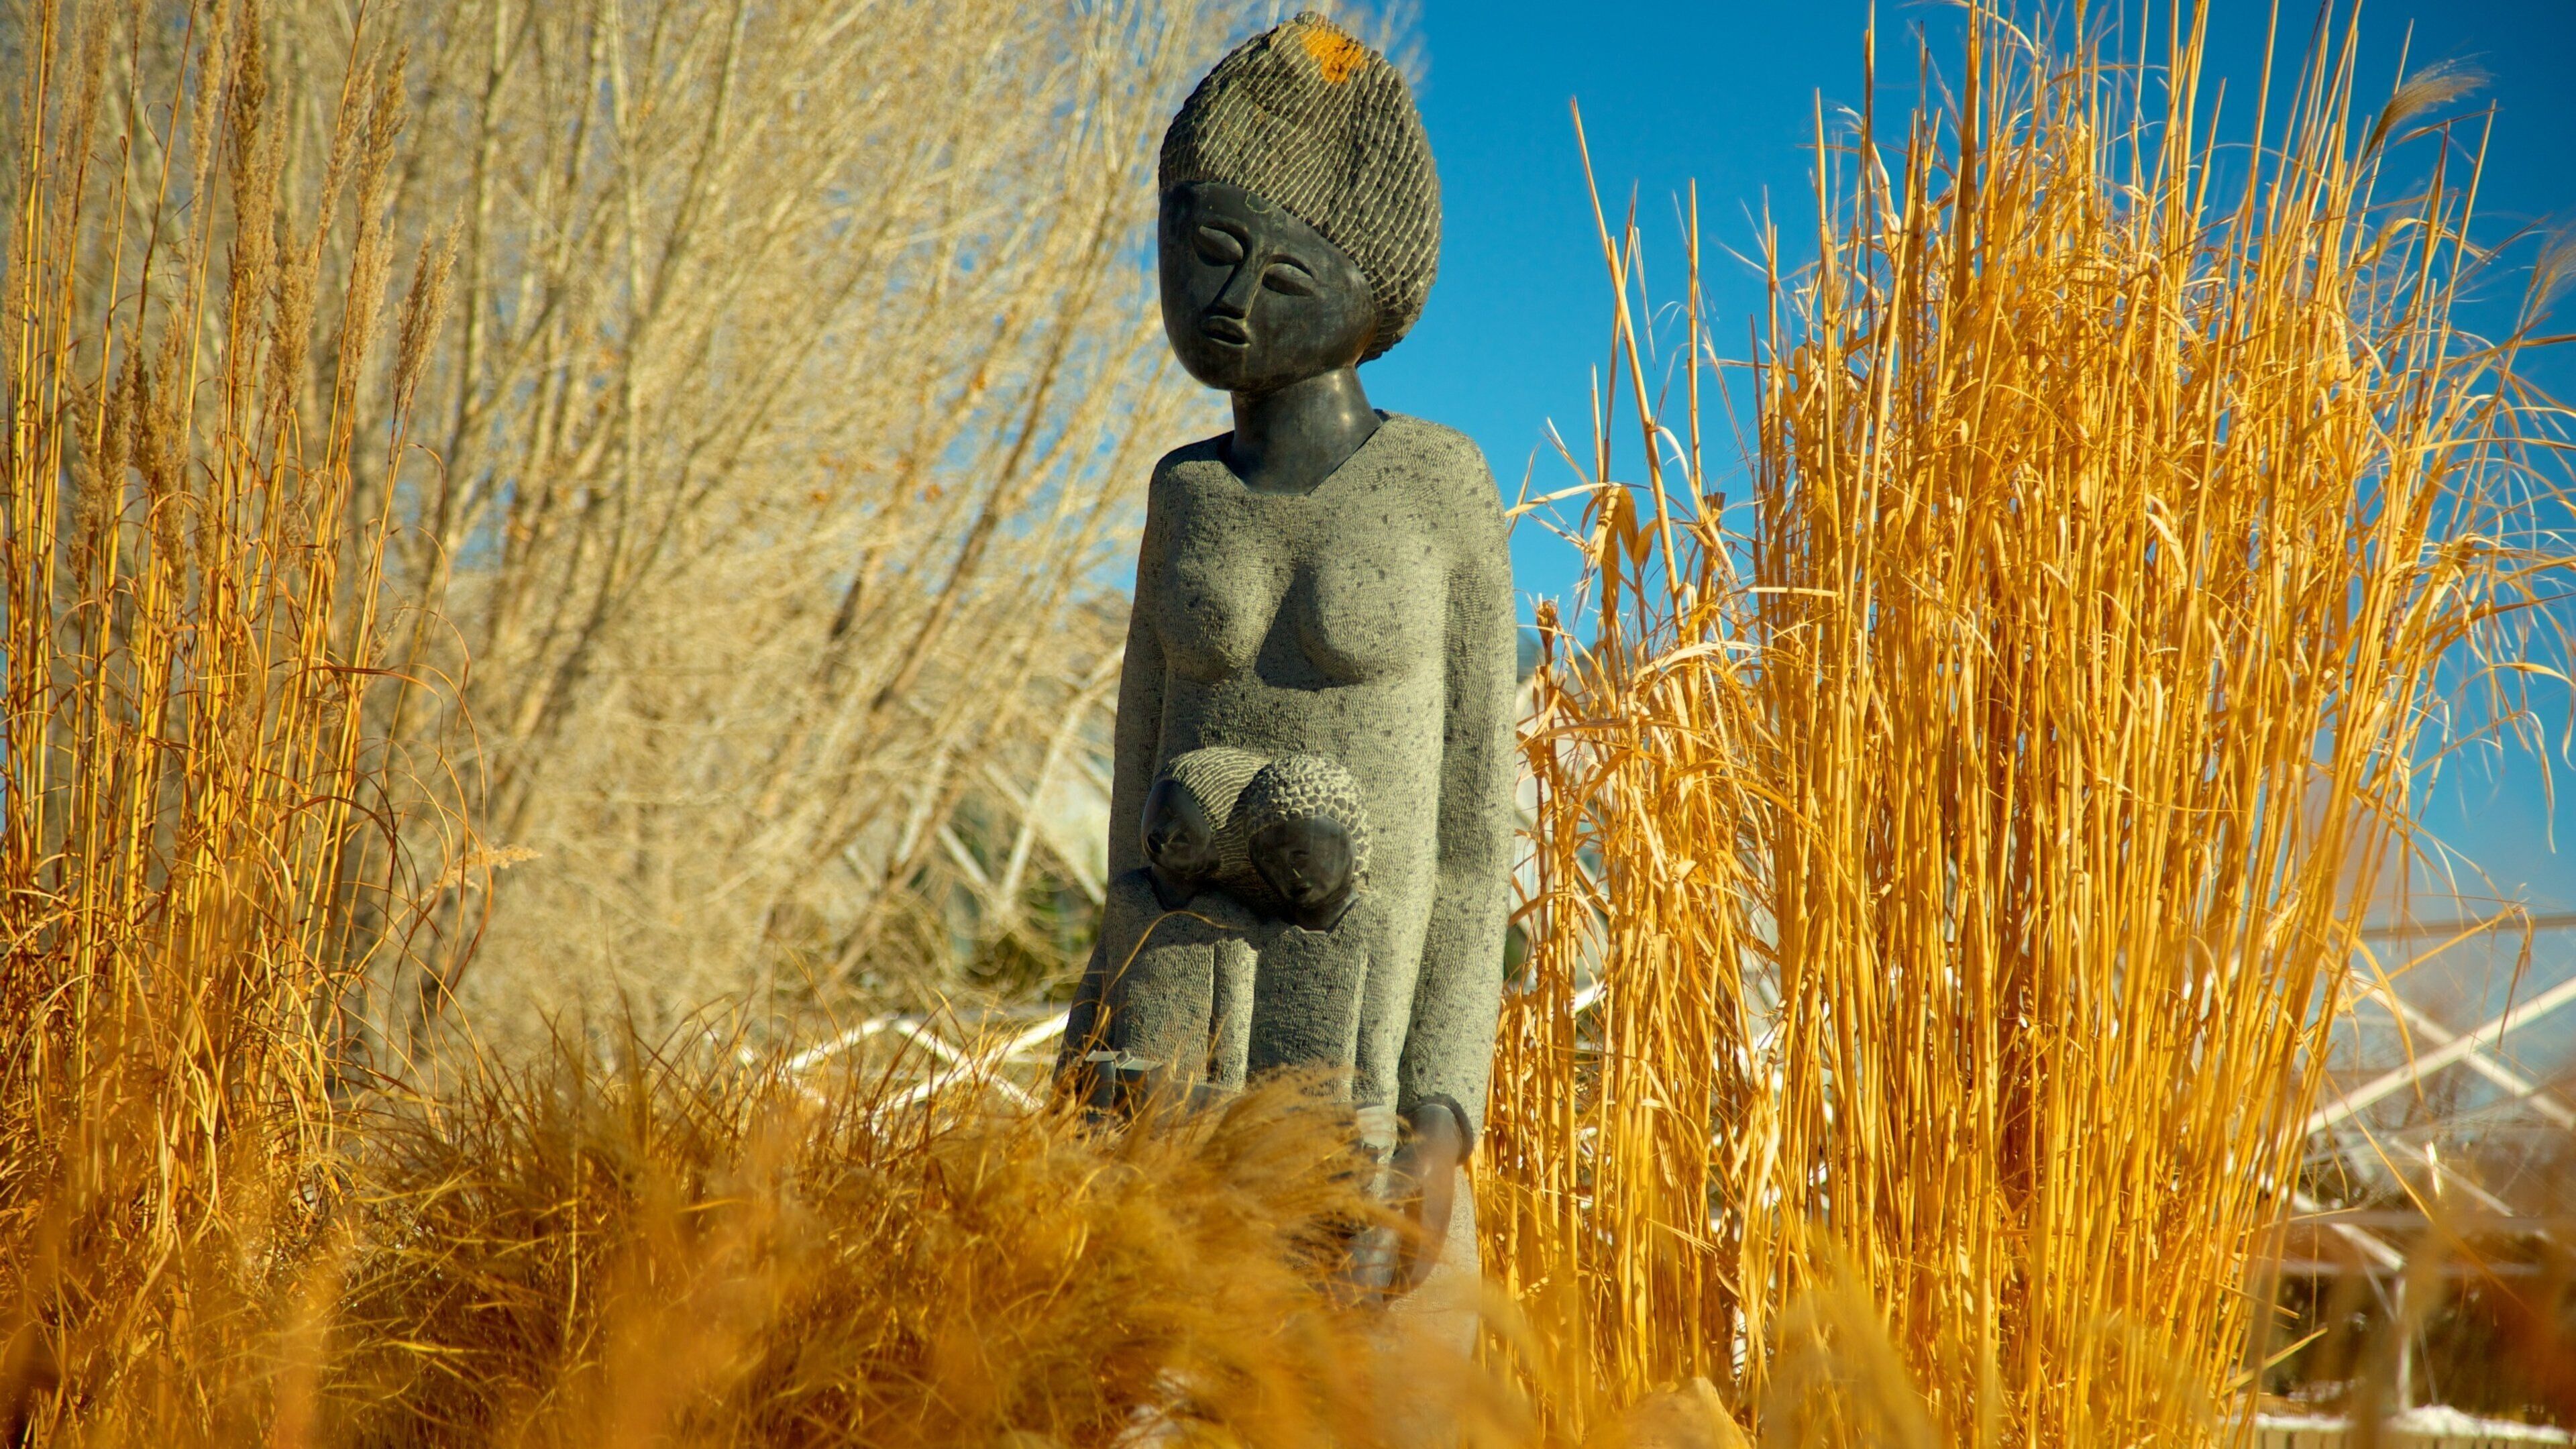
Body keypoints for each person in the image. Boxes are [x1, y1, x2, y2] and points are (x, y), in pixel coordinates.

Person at [1057, 11, 1515, 1313]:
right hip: (1173, 1041)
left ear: (1371, 295)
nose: (1228, 301)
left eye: (1281, 272)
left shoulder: (1437, 485)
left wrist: (1445, 1100)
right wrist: (1093, 1043)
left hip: (1356, 1061)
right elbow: (1128, 809)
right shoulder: (1184, 496)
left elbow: (1476, 839)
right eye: (1201, 253)